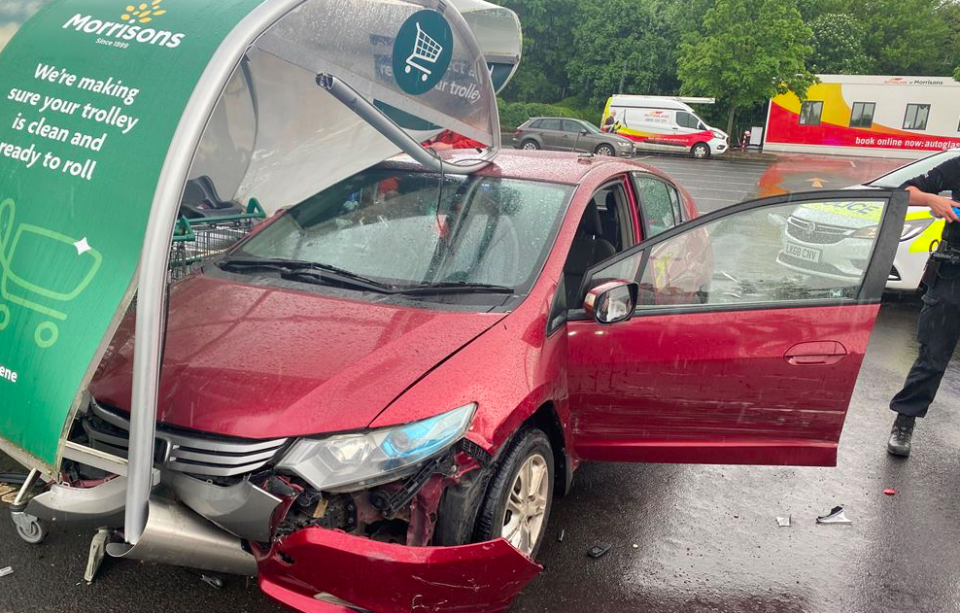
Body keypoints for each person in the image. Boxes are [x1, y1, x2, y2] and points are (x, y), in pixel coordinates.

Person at [887, 153, 960, 457]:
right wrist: (933, 199)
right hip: (953, 271)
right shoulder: (957, 166)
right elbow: (906, 191)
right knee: (932, 354)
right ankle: (905, 421)